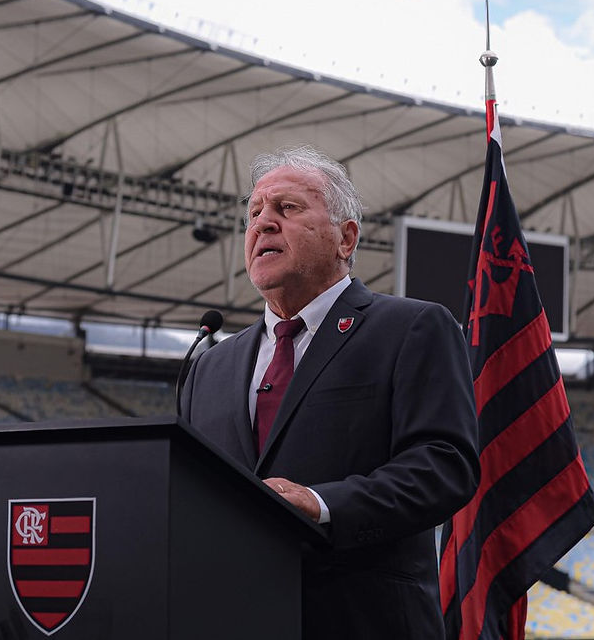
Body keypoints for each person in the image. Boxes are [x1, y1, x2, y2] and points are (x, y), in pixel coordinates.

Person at [181, 145, 480, 640]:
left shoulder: (412, 328)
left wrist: (322, 505)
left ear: (346, 238)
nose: (263, 223)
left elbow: (444, 466)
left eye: (288, 208)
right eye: (254, 212)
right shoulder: (209, 366)